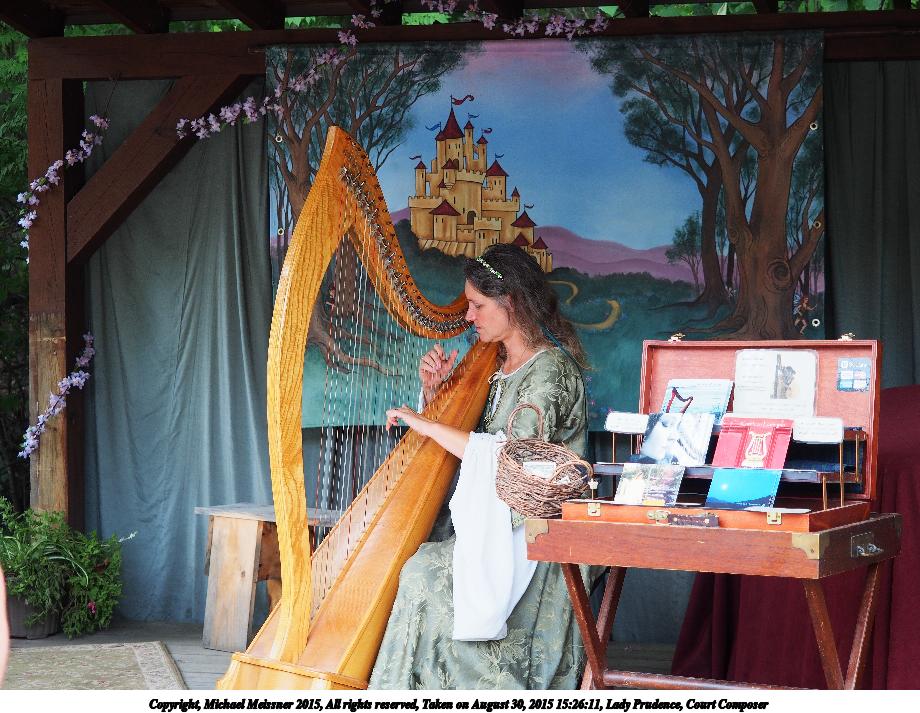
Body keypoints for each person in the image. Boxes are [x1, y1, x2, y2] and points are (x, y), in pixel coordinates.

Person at [369, 243, 589, 689]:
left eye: (477, 305)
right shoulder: (499, 362)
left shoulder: (549, 371)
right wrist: (435, 394)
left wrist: (427, 424)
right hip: (495, 520)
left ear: (512, 302)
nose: (469, 316)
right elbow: (478, 438)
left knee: (420, 574)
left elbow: (512, 457)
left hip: (532, 528)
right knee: (415, 564)